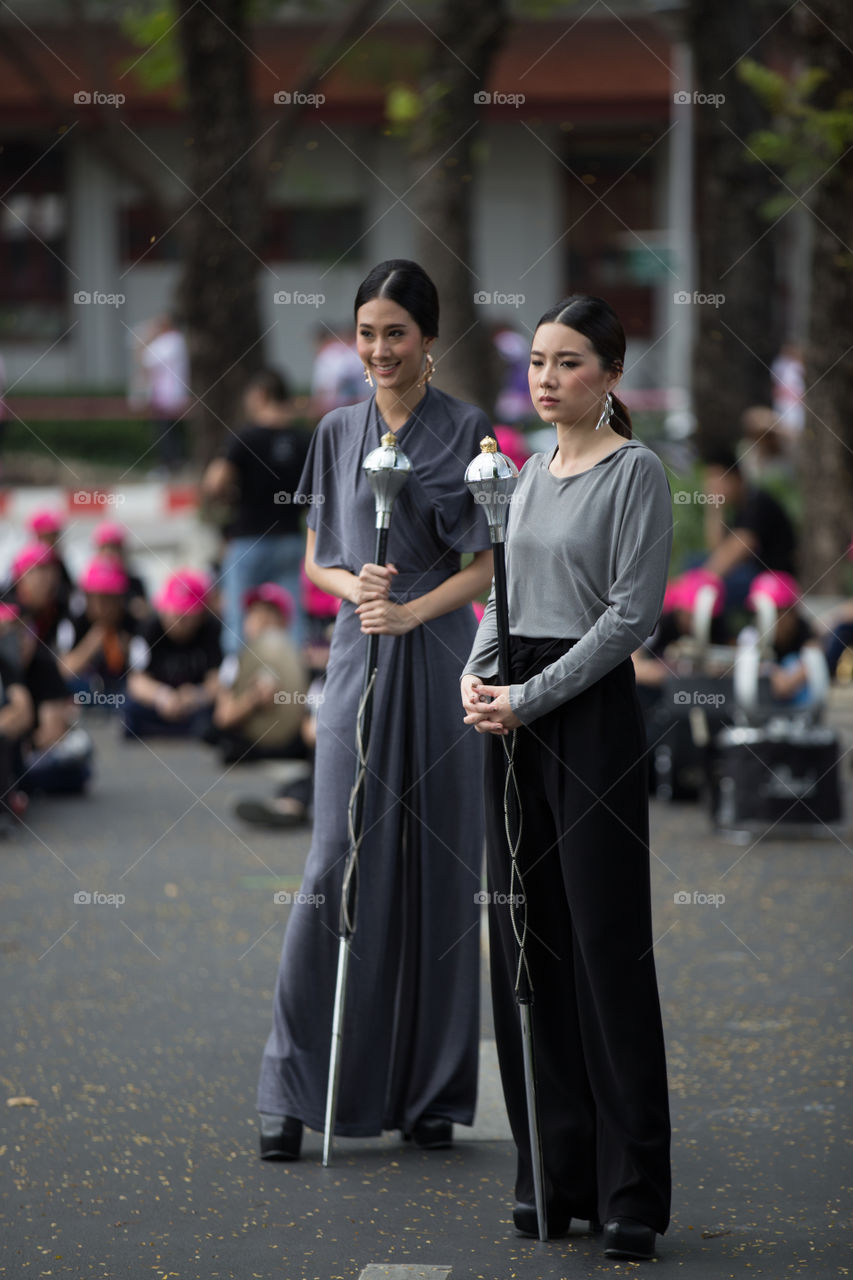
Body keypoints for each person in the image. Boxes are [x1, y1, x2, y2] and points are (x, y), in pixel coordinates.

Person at [256, 258, 493, 1162]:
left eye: (397, 332)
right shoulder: (334, 430)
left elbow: (487, 564)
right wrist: (355, 584)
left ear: (429, 339)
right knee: (330, 869)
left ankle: (431, 1093)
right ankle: (292, 1088)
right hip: (358, 661)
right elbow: (318, 555)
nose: (380, 348)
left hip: (439, 663)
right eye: (366, 332)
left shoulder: (469, 431)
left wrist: (410, 608)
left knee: (439, 875)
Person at [461, 295, 673, 1261]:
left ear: (610, 375)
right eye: (539, 361)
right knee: (524, 942)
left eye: (570, 362)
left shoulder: (636, 472)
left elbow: (629, 619)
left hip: (586, 720)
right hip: (510, 716)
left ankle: (631, 1189)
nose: (548, 378)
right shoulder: (526, 476)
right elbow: (501, 595)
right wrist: (476, 671)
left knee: (604, 946)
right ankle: (552, 1170)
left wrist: (529, 693)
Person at [202, 368, 311, 655]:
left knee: (238, 618)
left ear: (261, 395)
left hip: (249, 539)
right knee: (291, 618)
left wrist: (228, 496)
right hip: (290, 538)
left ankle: (237, 680)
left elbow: (214, 482)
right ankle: (293, 683)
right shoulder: (303, 439)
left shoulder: (245, 437)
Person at [212, 583, 308, 764]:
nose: (260, 622)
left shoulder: (299, 660)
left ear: (284, 623)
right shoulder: (235, 662)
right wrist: (253, 699)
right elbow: (223, 717)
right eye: (254, 616)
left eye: (268, 617)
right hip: (249, 739)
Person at [122, 570, 221, 739]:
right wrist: (162, 696)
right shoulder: (148, 630)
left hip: (192, 704)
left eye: (187, 615)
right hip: (158, 700)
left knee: (212, 716)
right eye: (175, 612)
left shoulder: (211, 630)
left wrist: (197, 695)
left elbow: (218, 680)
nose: (179, 620)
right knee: (129, 707)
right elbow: (136, 680)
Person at [701, 447, 797, 611]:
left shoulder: (757, 503)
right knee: (695, 563)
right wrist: (715, 508)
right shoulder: (738, 510)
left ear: (736, 477)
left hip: (775, 580)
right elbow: (716, 551)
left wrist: (699, 583)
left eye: (717, 478)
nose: (713, 486)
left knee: (708, 585)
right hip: (751, 575)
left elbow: (735, 552)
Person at [55, 556, 137, 699]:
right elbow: (64, 670)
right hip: (82, 695)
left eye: (109, 597)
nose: (102, 605)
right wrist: (95, 638)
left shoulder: (132, 623)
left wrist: (129, 650)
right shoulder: (73, 621)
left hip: (122, 695)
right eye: (96, 597)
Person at [138, 313, 189, 474]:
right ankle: (173, 463)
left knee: (165, 431)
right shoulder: (174, 341)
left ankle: (170, 465)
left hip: (167, 396)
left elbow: (146, 360)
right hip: (168, 395)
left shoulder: (170, 342)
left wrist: (147, 339)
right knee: (170, 430)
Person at [92, 522, 149, 620]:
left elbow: (144, 615)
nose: (110, 553)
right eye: (105, 547)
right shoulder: (90, 584)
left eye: (115, 547)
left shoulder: (134, 584)